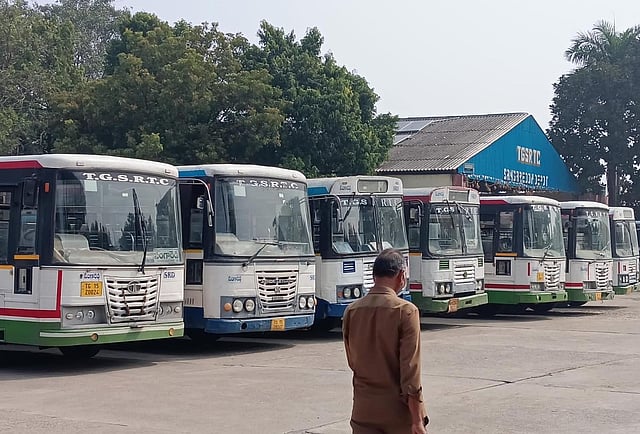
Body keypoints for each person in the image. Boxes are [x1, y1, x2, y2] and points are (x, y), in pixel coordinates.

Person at [342, 248, 429, 434]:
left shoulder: (352, 311)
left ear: (374, 276)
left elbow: (353, 362)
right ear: (401, 276)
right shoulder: (406, 311)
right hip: (397, 414)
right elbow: (410, 373)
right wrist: (417, 420)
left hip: (363, 412)